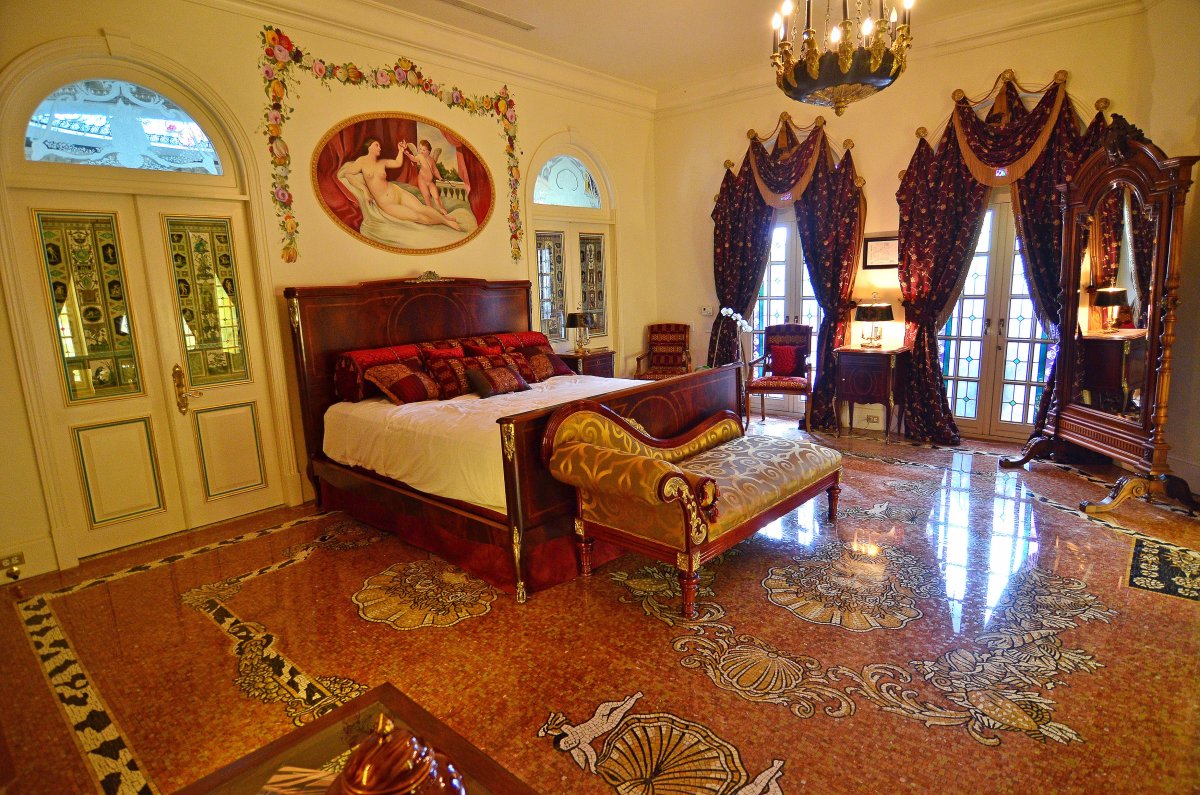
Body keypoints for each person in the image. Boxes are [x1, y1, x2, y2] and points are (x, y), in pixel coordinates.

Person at [338, 138, 461, 231]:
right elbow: (348, 174)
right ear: (369, 147)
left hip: (396, 191)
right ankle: (444, 221)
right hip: (387, 203)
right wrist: (364, 190)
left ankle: (446, 221)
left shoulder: (382, 162)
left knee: (421, 208)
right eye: (377, 145)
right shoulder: (362, 161)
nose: (380, 148)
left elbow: (397, 163)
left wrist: (401, 151)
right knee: (416, 216)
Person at [400, 138, 453, 217]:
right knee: (427, 197)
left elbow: (435, 170)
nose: (421, 151)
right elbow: (413, 158)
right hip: (422, 181)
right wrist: (407, 153)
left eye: (424, 150)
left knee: (436, 196)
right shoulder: (420, 157)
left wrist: (440, 177)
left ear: (429, 151)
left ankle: (441, 208)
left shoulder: (431, 160)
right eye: (420, 149)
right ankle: (431, 212)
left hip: (430, 182)